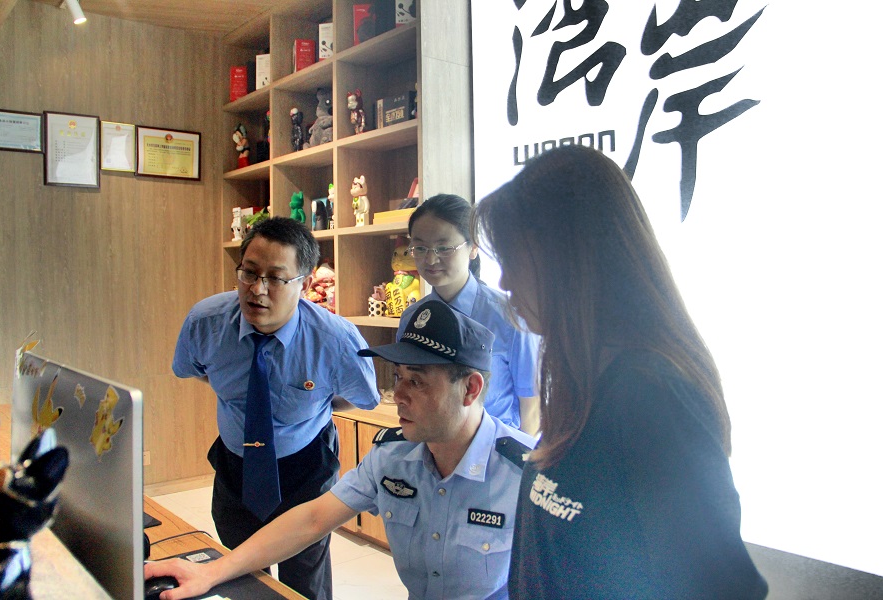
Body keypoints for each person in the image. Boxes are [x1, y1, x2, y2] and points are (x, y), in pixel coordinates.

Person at [472, 145, 768, 599]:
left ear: (568, 260)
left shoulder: (654, 396)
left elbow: (721, 586)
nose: (504, 282)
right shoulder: (582, 376)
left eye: (513, 260)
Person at [149, 300, 536, 600]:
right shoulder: (392, 458)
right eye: (398, 377)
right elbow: (313, 519)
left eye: (416, 382)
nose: (398, 394)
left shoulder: (530, 475)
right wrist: (211, 571)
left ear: (470, 389)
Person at [171, 216, 379, 600]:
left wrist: (312, 403)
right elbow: (194, 371)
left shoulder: (336, 341)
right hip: (236, 464)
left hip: (305, 466)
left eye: (276, 278)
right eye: (249, 273)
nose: (257, 289)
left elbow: (361, 397)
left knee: (305, 579)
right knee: (242, 575)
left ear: (305, 283)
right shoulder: (206, 322)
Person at [398, 194, 541, 435]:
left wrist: (518, 457)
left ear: (473, 247)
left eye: (444, 248)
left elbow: (532, 407)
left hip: (494, 449)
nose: (431, 259)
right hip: (431, 447)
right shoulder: (412, 318)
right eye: (420, 248)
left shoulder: (511, 317)